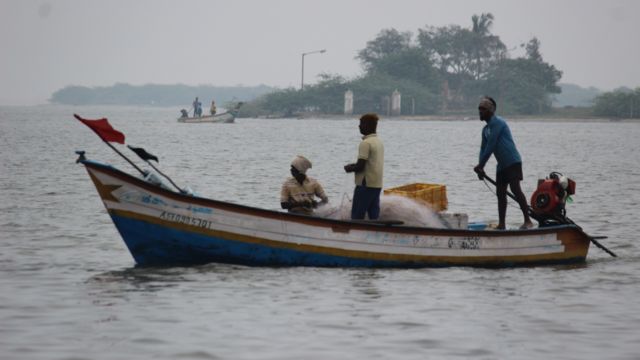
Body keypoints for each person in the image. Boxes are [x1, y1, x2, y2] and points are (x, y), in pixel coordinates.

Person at [473, 96, 534, 230]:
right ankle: (502, 224)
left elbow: (491, 146)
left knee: (515, 189)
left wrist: (481, 165)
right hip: (501, 165)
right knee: (500, 194)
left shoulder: (498, 123)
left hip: (512, 161)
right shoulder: (485, 130)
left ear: (490, 111)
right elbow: (483, 149)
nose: (480, 112)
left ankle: (528, 220)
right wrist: (480, 167)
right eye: (479, 109)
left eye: (483, 109)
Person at [344, 113, 384, 220]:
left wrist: (349, 168)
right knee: (373, 215)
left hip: (365, 185)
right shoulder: (379, 142)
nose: (359, 126)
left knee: (357, 215)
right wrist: (355, 165)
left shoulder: (365, 143)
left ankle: (355, 235)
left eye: (361, 124)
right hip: (377, 184)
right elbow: (370, 163)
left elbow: (360, 166)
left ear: (368, 125)